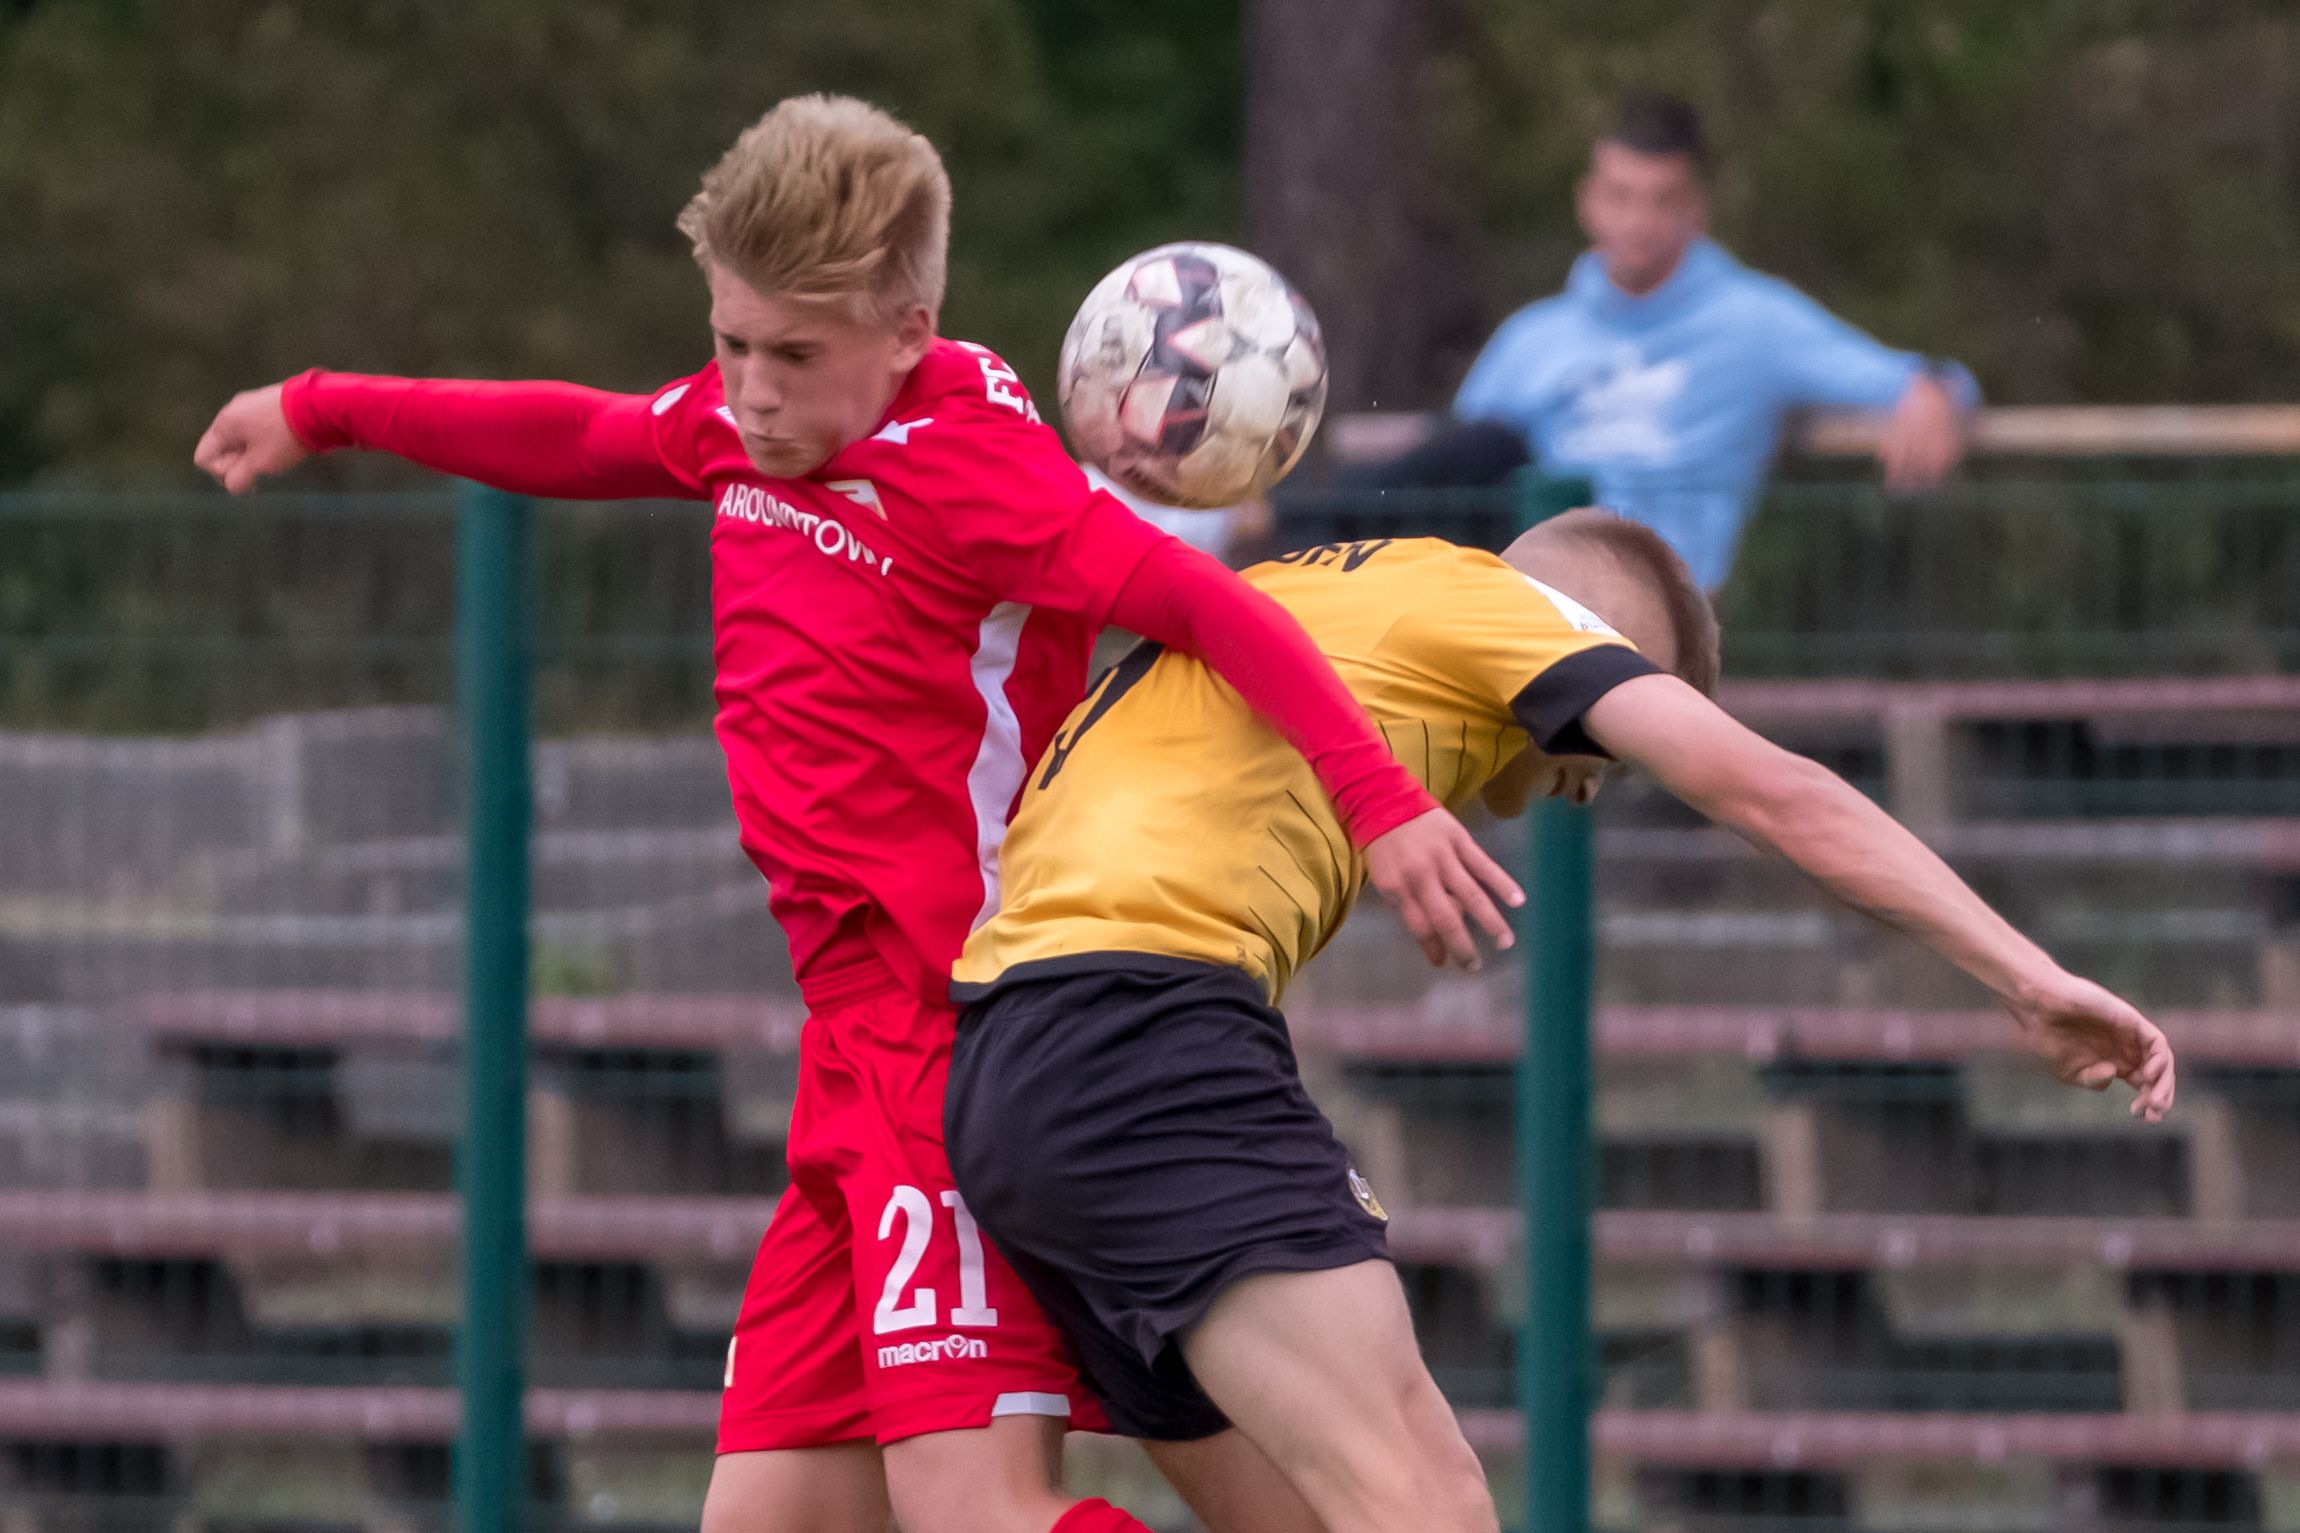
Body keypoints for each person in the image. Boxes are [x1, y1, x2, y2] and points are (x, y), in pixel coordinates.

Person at [193, 94, 1526, 1533]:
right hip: (849, 1059)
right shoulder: (749, 426)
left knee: (981, 1514)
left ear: (904, 332)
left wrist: (1379, 800)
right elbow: (577, 433)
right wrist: (322, 407)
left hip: (952, 1034)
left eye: (791, 356)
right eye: (731, 344)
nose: (751, 389)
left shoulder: (975, 477)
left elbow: (1210, 606)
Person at [945, 511, 2177, 1533]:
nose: (1579, 787)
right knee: (1424, 1499)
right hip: (1143, 1042)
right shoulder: (1508, 617)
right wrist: (2024, 974)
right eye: (1601, 755)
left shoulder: (1315, 595)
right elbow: (1780, 794)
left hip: (1005, 1072)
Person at [1453, 92, 1981, 589]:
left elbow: (1920, 379)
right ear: (1586, 202)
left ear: (1697, 209)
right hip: (1527, 603)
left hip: (1663, 609)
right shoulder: (1530, 338)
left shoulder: (1755, 321)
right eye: (1621, 196)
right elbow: (1445, 473)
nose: (1639, 221)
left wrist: (1932, 391)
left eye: (1662, 200)